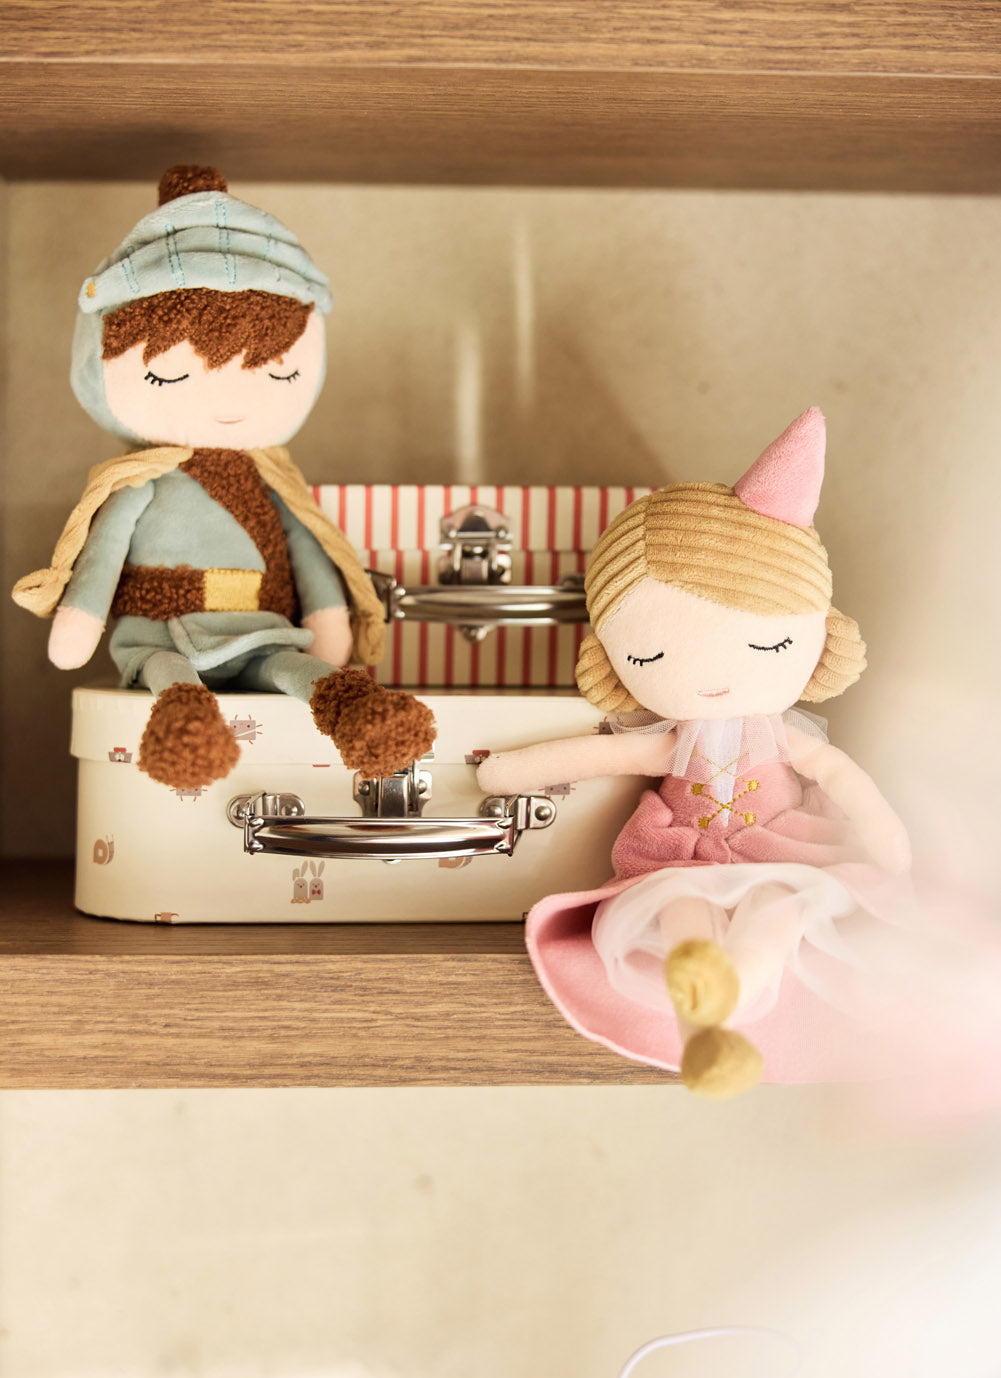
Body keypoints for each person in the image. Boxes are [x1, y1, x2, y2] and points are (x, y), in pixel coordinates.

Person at [477, 409, 914, 1098]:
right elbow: (599, 757)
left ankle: (731, 996)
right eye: (648, 657)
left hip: (776, 851)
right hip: (681, 856)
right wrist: (510, 772)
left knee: (779, 906)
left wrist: (884, 837)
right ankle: (702, 1014)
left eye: (766, 644)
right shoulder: (673, 740)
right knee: (679, 905)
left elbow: (835, 773)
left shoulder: (784, 735)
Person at [13, 164, 432, 785]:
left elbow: (306, 547)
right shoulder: (140, 481)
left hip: (261, 631)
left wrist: (325, 620)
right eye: (170, 373)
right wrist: (83, 617)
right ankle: (184, 721)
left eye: (277, 371)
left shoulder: (275, 483)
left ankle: (355, 709)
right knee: (167, 671)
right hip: (161, 634)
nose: (229, 399)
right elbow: (103, 555)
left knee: (292, 668)